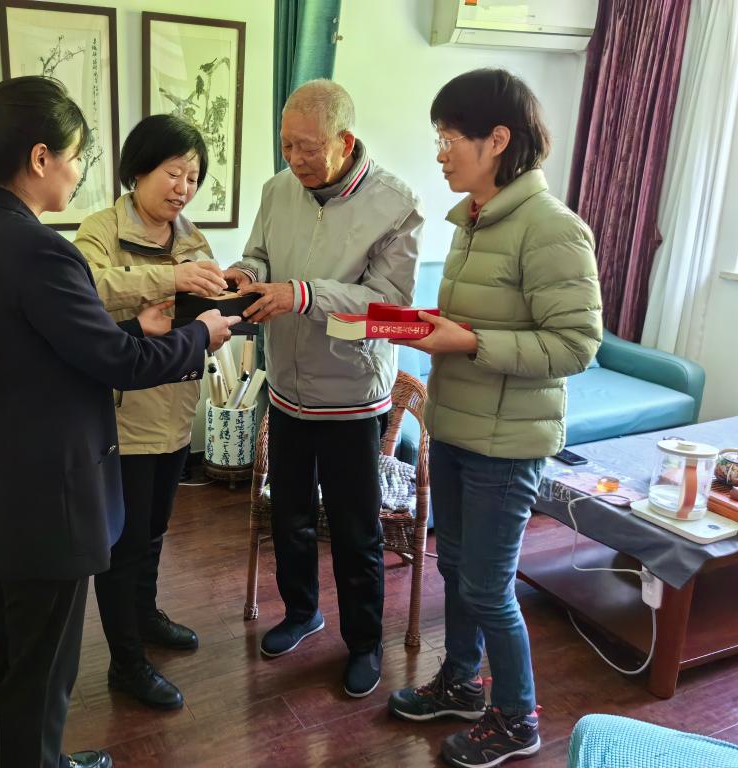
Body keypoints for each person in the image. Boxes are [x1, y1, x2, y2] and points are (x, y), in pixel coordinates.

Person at [0, 76, 238, 768]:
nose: (78, 173)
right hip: (48, 496)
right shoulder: (38, 247)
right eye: (75, 157)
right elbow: (118, 363)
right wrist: (200, 336)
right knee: (44, 671)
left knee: (25, 659)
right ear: (40, 158)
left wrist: (142, 328)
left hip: (7, 486)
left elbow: (54, 348)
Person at [387, 69, 602, 768]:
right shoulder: (475, 221)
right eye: (439, 137)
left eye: (450, 137)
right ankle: (460, 683)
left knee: (487, 586)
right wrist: (428, 327)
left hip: (507, 444)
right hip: (456, 424)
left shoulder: (553, 229)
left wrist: (469, 341)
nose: (441, 152)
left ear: (498, 140)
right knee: (454, 569)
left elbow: (576, 345)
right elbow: (478, 320)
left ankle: (517, 718)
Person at [223, 79, 423, 698]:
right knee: (289, 516)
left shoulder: (396, 205)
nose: (294, 159)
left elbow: (393, 310)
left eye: (307, 147)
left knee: (355, 530)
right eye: (286, 144)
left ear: (345, 141)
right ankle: (302, 611)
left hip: (352, 397)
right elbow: (260, 254)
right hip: (287, 387)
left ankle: (365, 643)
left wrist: (303, 295)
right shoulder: (277, 189)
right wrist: (246, 274)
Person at [74, 114, 226, 710]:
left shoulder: (192, 237)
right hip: (124, 417)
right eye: (173, 173)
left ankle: (146, 616)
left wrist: (230, 294)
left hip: (176, 407)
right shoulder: (101, 229)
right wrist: (170, 277)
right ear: (138, 169)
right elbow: (85, 289)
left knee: (155, 529)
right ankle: (126, 662)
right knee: (123, 543)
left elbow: (202, 306)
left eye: (193, 177)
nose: (183, 188)